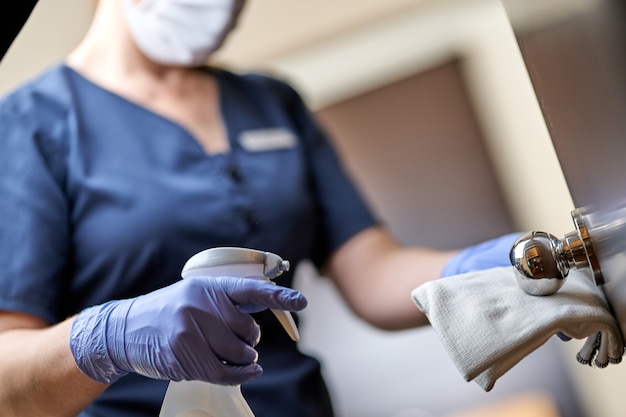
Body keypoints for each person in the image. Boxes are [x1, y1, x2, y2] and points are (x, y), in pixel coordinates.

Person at [0, 0, 519, 416]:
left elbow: (373, 273)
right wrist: (110, 338)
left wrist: (504, 272)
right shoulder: (31, 125)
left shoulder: (271, 102)